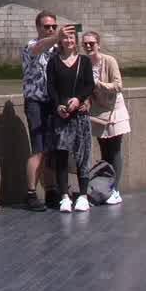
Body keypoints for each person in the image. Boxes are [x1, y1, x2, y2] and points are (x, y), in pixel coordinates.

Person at [45, 26, 98, 212]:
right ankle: (64, 196)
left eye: (72, 38)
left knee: (82, 155)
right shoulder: (53, 62)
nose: (69, 41)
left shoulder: (84, 61)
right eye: (65, 38)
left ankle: (83, 195)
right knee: (61, 156)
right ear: (60, 41)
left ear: (76, 41)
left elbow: (89, 84)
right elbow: (51, 86)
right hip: (62, 116)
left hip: (80, 115)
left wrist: (79, 99)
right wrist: (58, 105)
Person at [20, 12, 64, 210]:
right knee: (38, 149)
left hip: (53, 103)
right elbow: (38, 48)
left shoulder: (57, 49)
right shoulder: (30, 46)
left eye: (54, 26)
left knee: (51, 150)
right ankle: (30, 193)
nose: (51, 30)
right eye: (47, 27)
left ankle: (51, 191)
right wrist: (57, 37)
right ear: (38, 28)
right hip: (35, 102)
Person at [84, 31, 129, 206]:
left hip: (114, 111)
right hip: (98, 112)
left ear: (98, 44)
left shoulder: (109, 61)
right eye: (85, 43)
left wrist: (99, 85)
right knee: (104, 150)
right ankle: (105, 187)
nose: (88, 46)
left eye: (92, 43)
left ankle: (115, 189)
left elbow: (118, 85)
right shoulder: (85, 63)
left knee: (115, 150)